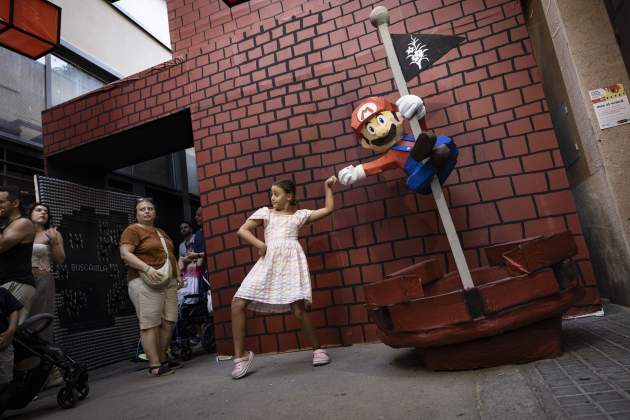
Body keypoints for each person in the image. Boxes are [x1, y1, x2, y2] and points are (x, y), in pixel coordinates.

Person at [230, 176, 337, 379]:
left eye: (277, 194)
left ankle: (318, 349)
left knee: (298, 309)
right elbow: (242, 230)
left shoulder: (298, 216)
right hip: (268, 263)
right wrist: (259, 244)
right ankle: (240, 357)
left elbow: (327, 209)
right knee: (237, 303)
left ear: (289, 196)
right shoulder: (265, 214)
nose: (272, 198)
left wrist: (327, 188)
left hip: (290, 263)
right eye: (271, 194)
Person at [119, 198, 181, 377]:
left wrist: (178, 275)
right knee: (150, 324)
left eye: (150, 209)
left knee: (169, 321)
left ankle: (162, 357)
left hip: (168, 280)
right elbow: (125, 254)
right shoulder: (132, 230)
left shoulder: (161, 232)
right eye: (142, 209)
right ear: (136, 213)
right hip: (143, 279)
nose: (146, 211)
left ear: (155, 212)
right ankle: (155, 365)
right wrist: (147, 268)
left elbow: (171, 255)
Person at [28, 202, 65, 343]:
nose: (43, 213)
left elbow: (60, 260)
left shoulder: (52, 233)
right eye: (38, 210)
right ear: (30, 213)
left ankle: (40, 359)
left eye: (46, 211)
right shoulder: (22, 231)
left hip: (43, 281)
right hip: (21, 279)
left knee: (40, 318)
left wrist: (54, 241)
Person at [0, 185, 36, 324]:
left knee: (6, 335)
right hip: (6, 285)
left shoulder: (24, 223)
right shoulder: (5, 227)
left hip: (17, 284)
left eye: (1, 202)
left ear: (15, 203)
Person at [0, 287, 22, 392]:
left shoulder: (2, 292)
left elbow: (14, 309)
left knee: (5, 381)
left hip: (4, 344)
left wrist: (11, 330)